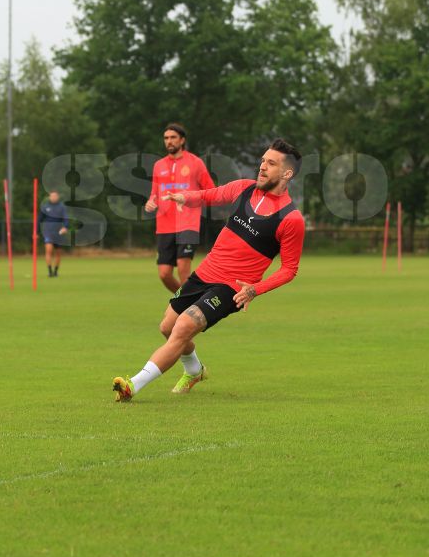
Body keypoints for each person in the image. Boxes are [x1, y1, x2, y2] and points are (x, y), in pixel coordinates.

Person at [114, 139, 305, 401]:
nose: (262, 167)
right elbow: (209, 195)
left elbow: (290, 269)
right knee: (167, 327)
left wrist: (254, 290)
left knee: (182, 328)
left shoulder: (291, 219)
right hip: (205, 272)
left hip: (232, 287)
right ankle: (194, 370)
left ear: (287, 173)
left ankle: (132, 385)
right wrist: (185, 197)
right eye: (262, 160)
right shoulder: (243, 189)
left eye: (271, 163)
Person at [143, 123, 215, 292]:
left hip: (187, 224)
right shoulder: (158, 165)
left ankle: (184, 311)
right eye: (166, 138)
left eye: (173, 137)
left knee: (184, 271)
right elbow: (155, 193)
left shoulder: (195, 163)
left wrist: (190, 199)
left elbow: (211, 193)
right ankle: (187, 304)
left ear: (182, 140)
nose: (169, 141)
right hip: (164, 226)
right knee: (164, 274)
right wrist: (150, 202)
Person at [39, 190, 69, 278]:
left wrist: (65, 227)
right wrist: (36, 231)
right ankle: (49, 271)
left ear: (58, 197)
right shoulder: (45, 207)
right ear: (49, 197)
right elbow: (39, 219)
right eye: (52, 196)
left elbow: (66, 218)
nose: (53, 198)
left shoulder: (62, 207)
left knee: (58, 253)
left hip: (58, 233)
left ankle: (56, 271)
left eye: (55, 196)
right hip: (48, 232)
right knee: (48, 250)